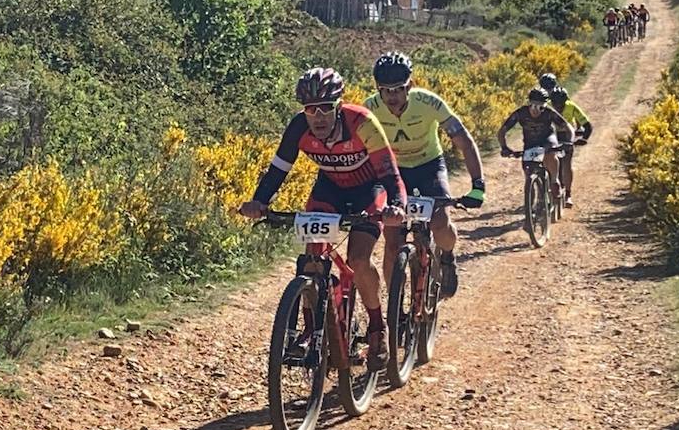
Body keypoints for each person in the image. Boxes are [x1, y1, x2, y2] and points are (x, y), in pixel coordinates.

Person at [238, 68, 406, 371]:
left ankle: (377, 328)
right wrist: (259, 201)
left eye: (326, 108)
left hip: (370, 190)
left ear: (338, 106)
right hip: (330, 190)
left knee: (358, 258)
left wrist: (396, 206)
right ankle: (312, 330)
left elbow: (390, 172)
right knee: (312, 259)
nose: (318, 117)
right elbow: (278, 169)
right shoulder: (298, 128)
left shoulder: (363, 122)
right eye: (311, 109)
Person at [365, 51, 486, 299]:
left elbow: (462, 139)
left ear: (410, 85)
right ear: (377, 88)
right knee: (392, 239)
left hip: (429, 166)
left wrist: (477, 185)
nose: (392, 96)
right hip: (393, 173)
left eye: (398, 89)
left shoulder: (429, 103)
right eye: (385, 90)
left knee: (440, 222)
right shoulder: (369, 108)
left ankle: (448, 257)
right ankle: (395, 304)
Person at [497, 87, 573, 201]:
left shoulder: (549, 113)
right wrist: (504, 147)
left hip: (547, 140)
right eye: (533, 106)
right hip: (530, 144)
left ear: (545, 106)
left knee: (550, 153)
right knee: (528, 173)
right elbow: (502, 131)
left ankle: (554, 180)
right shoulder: (521, 113)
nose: (536, 110)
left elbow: (568, 127)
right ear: (528, 103)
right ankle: (530, 201)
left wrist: (570, 142)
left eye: (540, 107)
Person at [548, 86, 593, 208]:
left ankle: (568, 194)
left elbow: (587, 125)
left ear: (565, 101)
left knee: (566, 163)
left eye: (561, 104)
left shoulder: (571, 106)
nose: (558, 107)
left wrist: (584, 139)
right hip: (552, 135)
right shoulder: (547, 106)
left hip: (567, 135)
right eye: (555, 104)